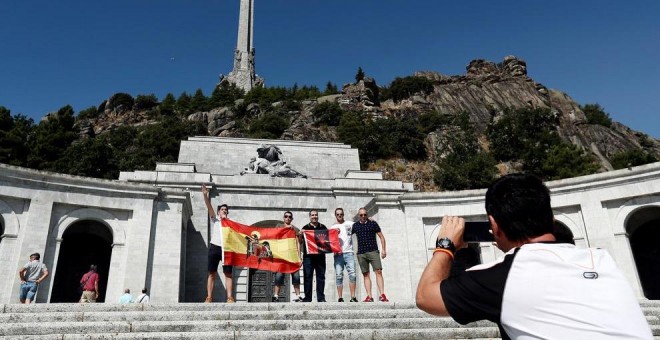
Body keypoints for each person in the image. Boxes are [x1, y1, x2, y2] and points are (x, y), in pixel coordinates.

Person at [416, 173, 653, 339]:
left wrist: (445, 245)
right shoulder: (603, 260)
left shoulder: (500, 278)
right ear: (550, 219)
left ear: (494, 226)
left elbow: (426, 297)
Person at [202, 184, 235, 303]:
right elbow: (209, 206)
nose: (224, 211)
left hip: (226, 249)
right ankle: (209, 297)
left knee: (228, 273)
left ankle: (230, 297)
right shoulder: (215, 219)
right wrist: (205, 195)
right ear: (218, 212)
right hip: (215, 247)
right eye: (222, 209)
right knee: (211, 273)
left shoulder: (231, 223)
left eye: (226, 210)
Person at [352, 208, 388, 302]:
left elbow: (381, 237)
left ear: (367, 215)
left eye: (365, 214)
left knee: (378, 271)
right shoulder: (355, 226)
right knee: (366, 274)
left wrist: (383, 250)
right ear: (358, 216)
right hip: (361, 253)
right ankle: (369, 296)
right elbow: (347, 235)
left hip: (373, 251)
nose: (363, 216)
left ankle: (382, 295)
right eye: (361, 215)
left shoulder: (373, 223)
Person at [273, 211, 303, 302]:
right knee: (279, 276)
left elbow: (298, 243)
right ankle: (275, 296)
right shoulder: (279, 226)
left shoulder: (294, 229)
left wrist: (299, 257)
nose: (288, 218)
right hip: (281, 256)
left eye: (290, 217)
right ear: (283, 218)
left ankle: (298, 296)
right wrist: (286, 229)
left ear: (292, 219)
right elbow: (274, 235)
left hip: (292, 256)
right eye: (286, 216)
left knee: (296, 276)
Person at [330, 208, 357, 302]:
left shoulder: (350, 223)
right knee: (339, 275)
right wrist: (334, 234)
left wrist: (369, 219)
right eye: (337, 214)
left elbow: (360, 224)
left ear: (343, 214)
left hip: (349, 253)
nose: (339, 216)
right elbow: (329, 242)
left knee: (353, 275)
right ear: (335, 215)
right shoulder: (332, 227)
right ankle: (340, 297)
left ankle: (353, 297)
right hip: (338, 254)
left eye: (341, 214)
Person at [301, 210, 327, 302]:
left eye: (316, 215)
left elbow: (328, 240)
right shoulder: (305, 228)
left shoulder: (323, 227)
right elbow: (300, 241)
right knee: (307, 276)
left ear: (318, 216)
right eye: (312, 215)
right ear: (310, 217)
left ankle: (321, 298)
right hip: (308, 257)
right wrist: (300, 234)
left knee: (321, 277)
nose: (314, 216)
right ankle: (308, 298)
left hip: (320, 256)